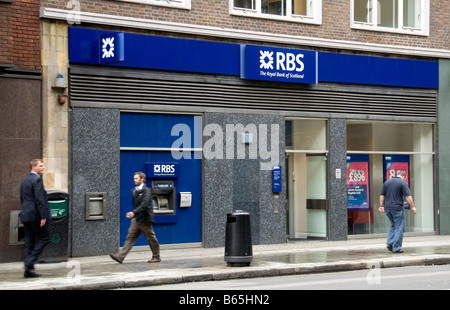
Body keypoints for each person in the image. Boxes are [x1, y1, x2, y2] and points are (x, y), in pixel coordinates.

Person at [110, 172, 161, 264]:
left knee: (151, 238)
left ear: (142, 179)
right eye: (134, 178)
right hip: (136, 219)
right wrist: (134, 214)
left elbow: (144, 204)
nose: (134, 180)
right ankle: (120, 257)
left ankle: (156, 256)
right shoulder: (134, 190)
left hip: (145, 219)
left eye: (136, 178)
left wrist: (134, 212)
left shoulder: (147, 190)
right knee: (130, 237)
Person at [20, 159, 51, 278]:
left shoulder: (25, 181)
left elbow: (23, 199)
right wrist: (43, 216)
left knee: (29, 242)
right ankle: (29, 262)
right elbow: (40, 199)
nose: (43, 168)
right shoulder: (37, 179)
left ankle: (28, 271)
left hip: (26, 215)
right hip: (35, 216)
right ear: (34, 167)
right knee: (45, 238)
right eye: (41, 166)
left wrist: (24, 213)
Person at [379, 171, 417, 253]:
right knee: (399, 227)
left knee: (394, 225)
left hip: (388, 208)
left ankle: (390, 242)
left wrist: (381, 206)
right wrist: (413, 207)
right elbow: (408, 196)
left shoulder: (387, 182)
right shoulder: (402, 183)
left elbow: (382, 195)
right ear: (404, 176)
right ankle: (396, 248)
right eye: (405, 178)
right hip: (397, 208)